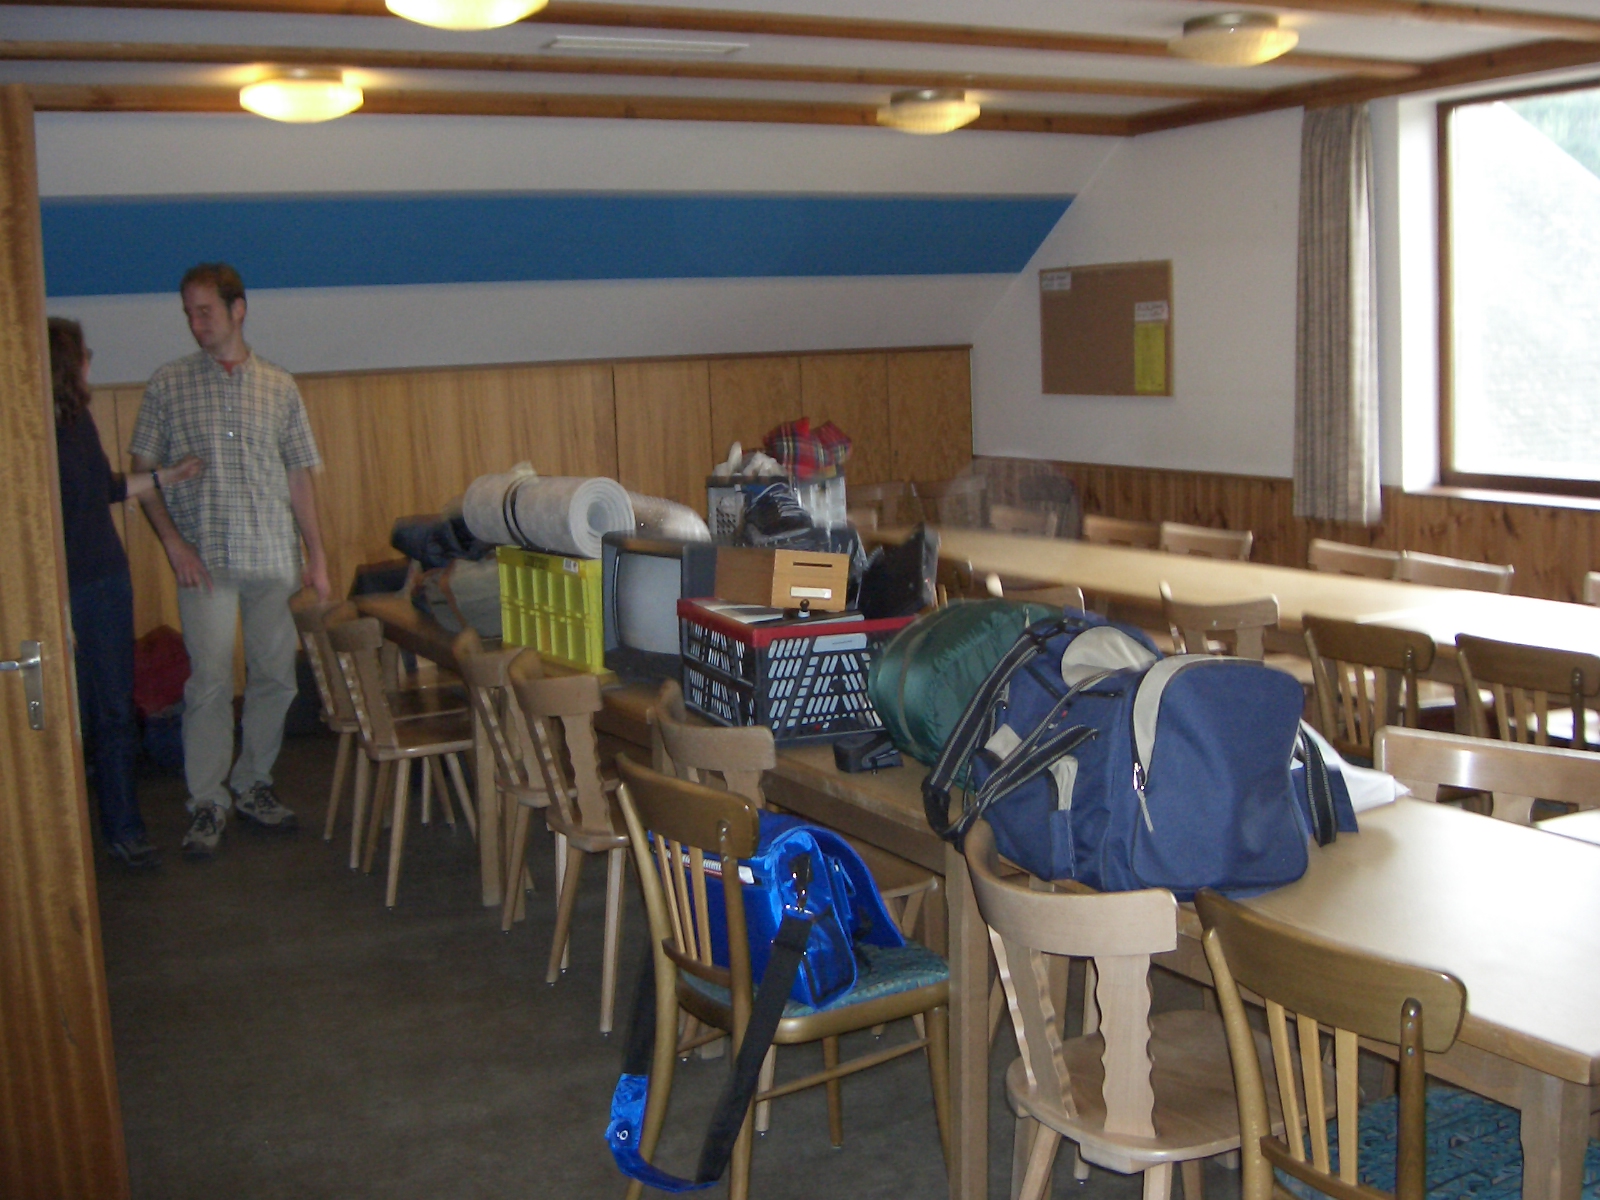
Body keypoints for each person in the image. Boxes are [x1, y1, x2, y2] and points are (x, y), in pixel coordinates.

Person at [129, 263, 330, 859]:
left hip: (273, 558)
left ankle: (253, 783)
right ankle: (207, 800)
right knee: (210, 683)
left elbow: (299, 476)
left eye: (206, 312)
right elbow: (142, 474)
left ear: (238, 309)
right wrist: (174, 545)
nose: (196, 324)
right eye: (189, 314)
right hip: (205, 561)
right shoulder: (168, 384)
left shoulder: (279, 385)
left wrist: (317, 554)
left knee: (276, 678)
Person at [51, 317, 204, 868]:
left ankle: (124, 828)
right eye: (83, 353)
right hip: (65, 585)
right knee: (68, 714)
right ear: (66, 365)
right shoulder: (33, 432)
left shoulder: (79, 421)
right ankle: (63, 835)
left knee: (115, 708)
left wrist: (168, 476)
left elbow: (107, 487)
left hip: (106, 580)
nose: (91, 360)